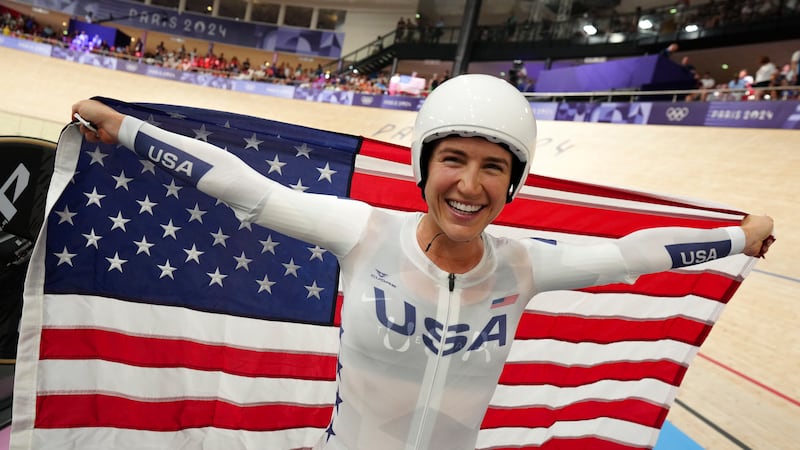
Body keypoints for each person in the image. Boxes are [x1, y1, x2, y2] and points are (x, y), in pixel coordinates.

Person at [71, 74, 775, 450]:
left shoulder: (523, 266)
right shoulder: (364, 233)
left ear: (512, 183)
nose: (470, 185)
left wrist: (739, 239)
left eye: (493, 168)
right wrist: (126, 128)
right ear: (425, 166)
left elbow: (630, 255)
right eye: (455, 161)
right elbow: (249, 191)